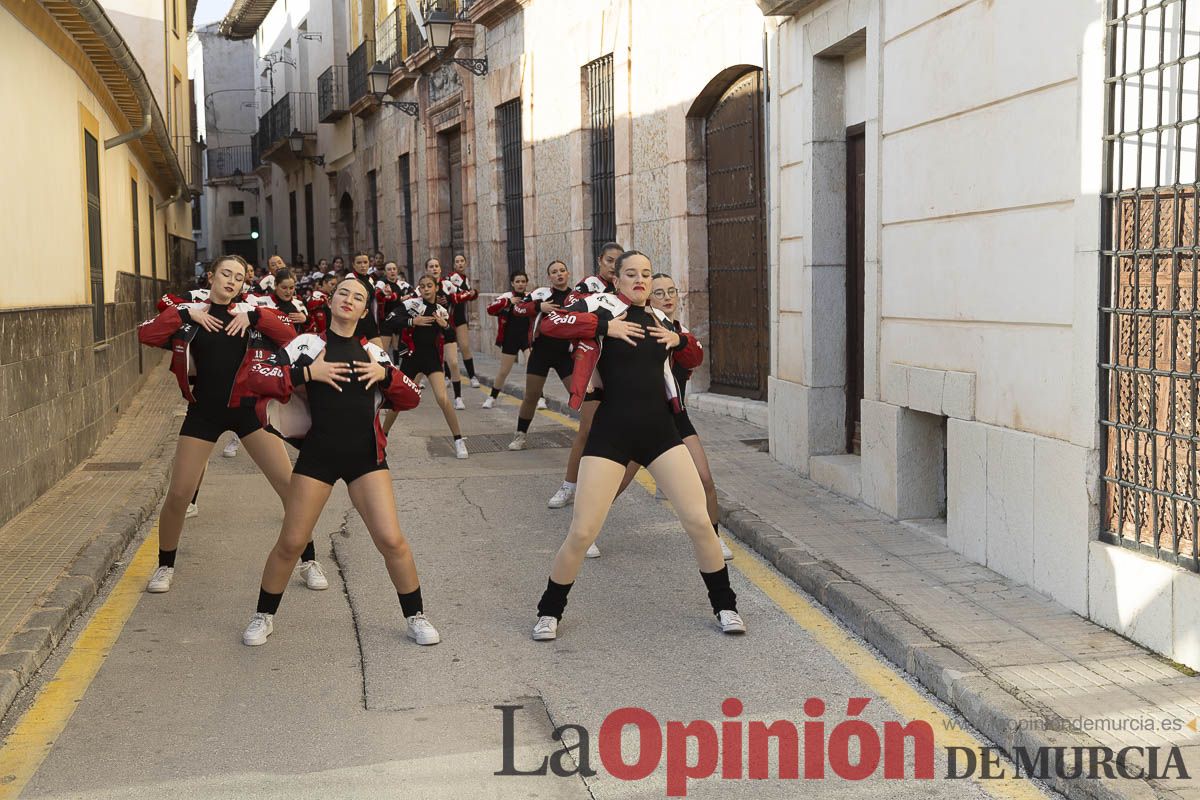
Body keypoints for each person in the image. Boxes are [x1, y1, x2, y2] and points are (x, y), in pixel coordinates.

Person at [529, 251, 745, 640]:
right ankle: (549, 612)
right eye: (631, 274)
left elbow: (692, 355)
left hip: (661, 433)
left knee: (699, 522)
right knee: (581, 532)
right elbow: (550, 324)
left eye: (645, 274)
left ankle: (726, 606)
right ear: (617, 278)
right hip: (611, 431)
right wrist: (602, 328)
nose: (640, 280)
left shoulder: (662, 319)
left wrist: (679, 338)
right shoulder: (599, 306)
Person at [240, 275, 438, 646]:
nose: (349, 300)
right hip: (319, 456)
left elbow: (412, 397)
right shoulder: (308, 343)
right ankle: (263, 615)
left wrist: (386, 374)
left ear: (365, 309)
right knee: (292, 541)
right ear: (330, 301)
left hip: (366, 458)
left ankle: (416, 615)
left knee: (392, 541)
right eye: (343, 293)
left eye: (358, 296)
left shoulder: (375, 353)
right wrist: (307, 372)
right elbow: (256, 375)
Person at [136, 255, 329, 595]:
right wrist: (185, 313)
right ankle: (165, 565)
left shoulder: (251, 312)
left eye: (238, 278)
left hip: (248, 411)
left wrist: (252, 315)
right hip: (203, 413)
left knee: (289, 489)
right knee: (179, 494)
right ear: (211, 276)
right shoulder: (190, 311)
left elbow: (289, 334)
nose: (231, 281)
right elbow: (147, 335)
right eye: (225, 273)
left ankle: (308, 560)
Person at [613, 274, 733, 561]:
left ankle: (714, 539)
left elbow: (694, 358)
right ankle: (585, 533)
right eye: (659, 293)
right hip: (640, 420)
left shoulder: (683, 333)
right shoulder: (632, 328)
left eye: (672, 292)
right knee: (612, 485)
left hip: (675, 419)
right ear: (648, 299)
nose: (667, 298)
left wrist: (677, 340)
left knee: (705, 480)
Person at [544, 242, 624, 510]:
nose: (613, 266)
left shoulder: (625, 289)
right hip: (594, 367)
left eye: (618, 261)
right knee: (587, 429)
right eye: (609, 260)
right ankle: (569, 485)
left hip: (622, 367)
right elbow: (570, 310)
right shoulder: (589, 287)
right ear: (600, 260)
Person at [380, 276, 468, 458]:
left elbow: (451, 337)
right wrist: (413, 322)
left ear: (436, 288)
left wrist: (445, 326)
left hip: (431, 360)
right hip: (411, 359)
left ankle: (459, 440)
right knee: (397, 401)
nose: (426, 289)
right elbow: (389, 320)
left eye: (429, 286)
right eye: (422, 286)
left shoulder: (441, 310)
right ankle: (381, 439)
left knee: (443, 399)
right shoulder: (412, 304)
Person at [508, 260, 575, 451]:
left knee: (579, 396)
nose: (559, 274)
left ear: (568, 273)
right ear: (549, 277)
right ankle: (520, 435)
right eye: (554, 272)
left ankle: (592, 434)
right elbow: (518, 309)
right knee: (531, 396)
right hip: (541, 353)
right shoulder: (541, 294)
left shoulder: (577, 297)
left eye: (562, 270)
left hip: (565, 355)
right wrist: (539, 307)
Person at [482, 271, 531, 409]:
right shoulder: (507, 297)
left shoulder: (531, 297)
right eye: (518, 282)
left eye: (523, 281)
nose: (520, 284)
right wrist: (508, 302)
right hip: (510, 338)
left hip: (527, 338)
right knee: (503, 371)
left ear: (526, 283)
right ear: (512, 283)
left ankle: (539, 397)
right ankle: (492, 397)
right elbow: (490, 309)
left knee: (532, 367)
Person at [423, 258, 467, 410]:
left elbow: (464, 295)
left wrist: (450, 299)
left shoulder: (448, 284)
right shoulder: (423, 286)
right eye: (431, 266)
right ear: (426, 270)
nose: (434, 269)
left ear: (440, 269)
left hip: (447, 328)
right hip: (429, 332)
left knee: (453, 363)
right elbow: (412, 300)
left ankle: (458, 397)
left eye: (436, 266)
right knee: (423, 367)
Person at [446, 253, 480, 389]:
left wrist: (473, 293)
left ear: (465, 263)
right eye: (457, 261)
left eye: (462, 261)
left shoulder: (465, 279)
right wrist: (468, 294)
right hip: (449, 316)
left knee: (465, 346)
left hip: (460, 317)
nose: (460, 263)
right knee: (448, 349)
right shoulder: (451, 278)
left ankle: (472, 376)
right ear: (454, 264)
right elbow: (451, 295)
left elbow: (469, 296)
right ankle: (448, 376)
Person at [271, 268, 310, 334]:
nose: (288, 292)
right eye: (284, 288)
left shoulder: (299, 304)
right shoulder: (264, 302)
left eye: (291, 288)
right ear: (275, 285)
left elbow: (310, 330)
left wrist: (306, 320)